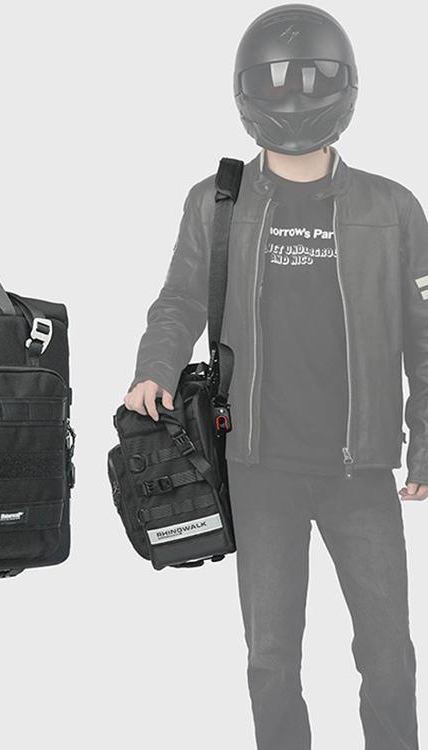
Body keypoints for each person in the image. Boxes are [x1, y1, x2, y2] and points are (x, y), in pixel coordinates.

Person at [125, 5, 422, 749]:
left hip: (361, 473)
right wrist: (152, 369)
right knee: (270, 661)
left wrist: (426, 442)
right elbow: (179, 300)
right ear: (248, 90)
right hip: (257, 471)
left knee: (389, 658)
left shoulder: (393, 208)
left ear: (343, 86)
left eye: (312, 78)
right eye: (278, 80)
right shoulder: (215, 201)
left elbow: (425, 339)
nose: (295, 95)